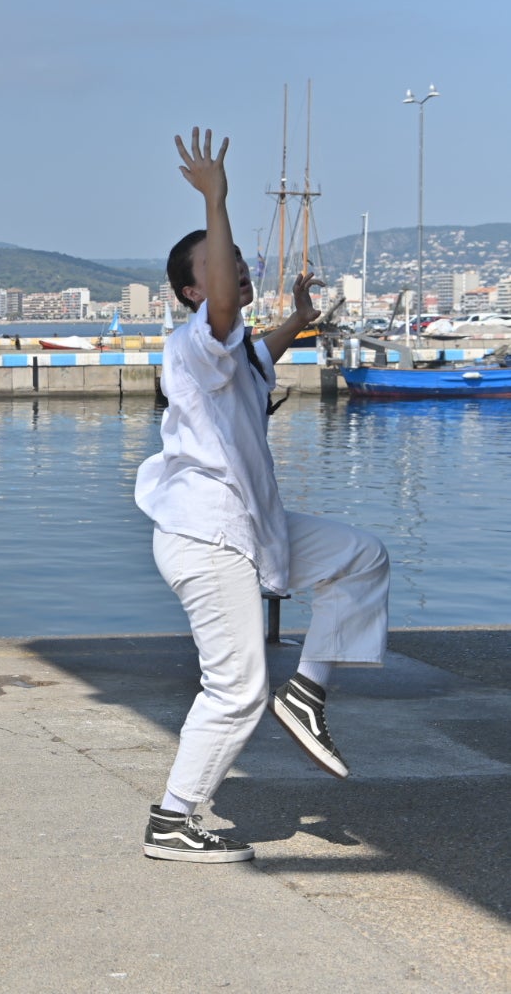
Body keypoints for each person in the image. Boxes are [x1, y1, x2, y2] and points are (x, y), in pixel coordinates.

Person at [135, 128, 390, 862]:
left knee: (361, 557)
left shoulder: (239, 347)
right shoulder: (194, 342)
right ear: (193, 290)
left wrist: (299, 320)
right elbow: (224, 318)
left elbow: (259, 354)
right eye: (222, 268)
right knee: (238, 687)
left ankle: (308, 692)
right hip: (205, 537)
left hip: (251, 526)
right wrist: (216, 199)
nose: (236, 272)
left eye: (241, 265)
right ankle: (173, 819)